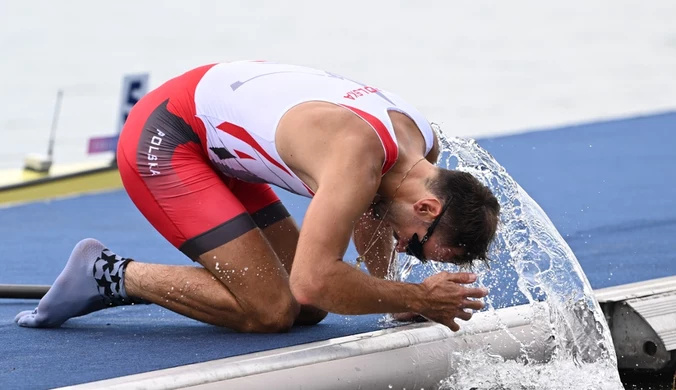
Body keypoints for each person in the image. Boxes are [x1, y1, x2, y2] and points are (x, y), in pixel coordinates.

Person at [15, 60, 500, 333]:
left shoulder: (421, 149)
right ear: (427, 206)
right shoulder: (358, 158)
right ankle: (108, 273)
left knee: (306, 311)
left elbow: (371, 215)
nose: (403, 248)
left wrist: (398, 303)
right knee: (272, 309)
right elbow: (315, 280)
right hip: (167, 136)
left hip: (222, 138)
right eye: (415, 244)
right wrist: (417, 295)